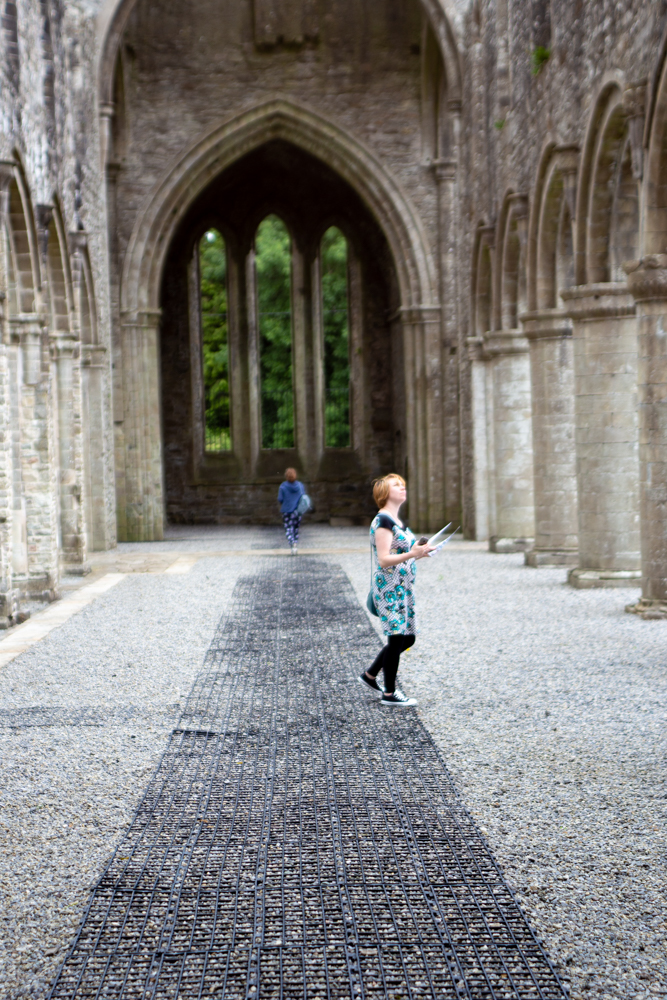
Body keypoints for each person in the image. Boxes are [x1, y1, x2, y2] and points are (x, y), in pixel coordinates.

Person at [359, 473, 432, 706]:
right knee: (396, 638)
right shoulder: (383, 521)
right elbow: (383, 560)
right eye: (396, 485)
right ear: (384, 493)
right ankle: (389, 693)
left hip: (403, 589)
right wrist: (412, 553)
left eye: (403, 484)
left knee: (407, 638)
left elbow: (403, 556)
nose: (402, 488)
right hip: (389, 589)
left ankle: (370, 675)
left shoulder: (397, 522)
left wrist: (420, 553)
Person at [278, 467, 305, 554]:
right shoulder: (300, 486)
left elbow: (280, 499)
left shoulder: (283, 486)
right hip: (297, 511)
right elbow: (303, 497)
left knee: (288, 528)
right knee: (296, 528)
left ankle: (292, 543)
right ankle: (295, 543)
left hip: (286, 510)